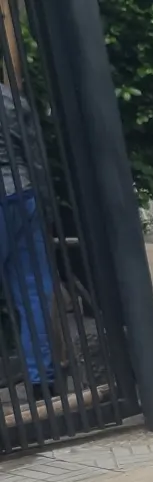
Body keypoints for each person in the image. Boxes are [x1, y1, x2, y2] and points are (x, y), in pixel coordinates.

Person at [0, 83, 55, 398]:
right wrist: (46, 207)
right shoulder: (10, 99)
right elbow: (34, 157)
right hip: (24, 195)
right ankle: (41, 380)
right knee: (33, 292)